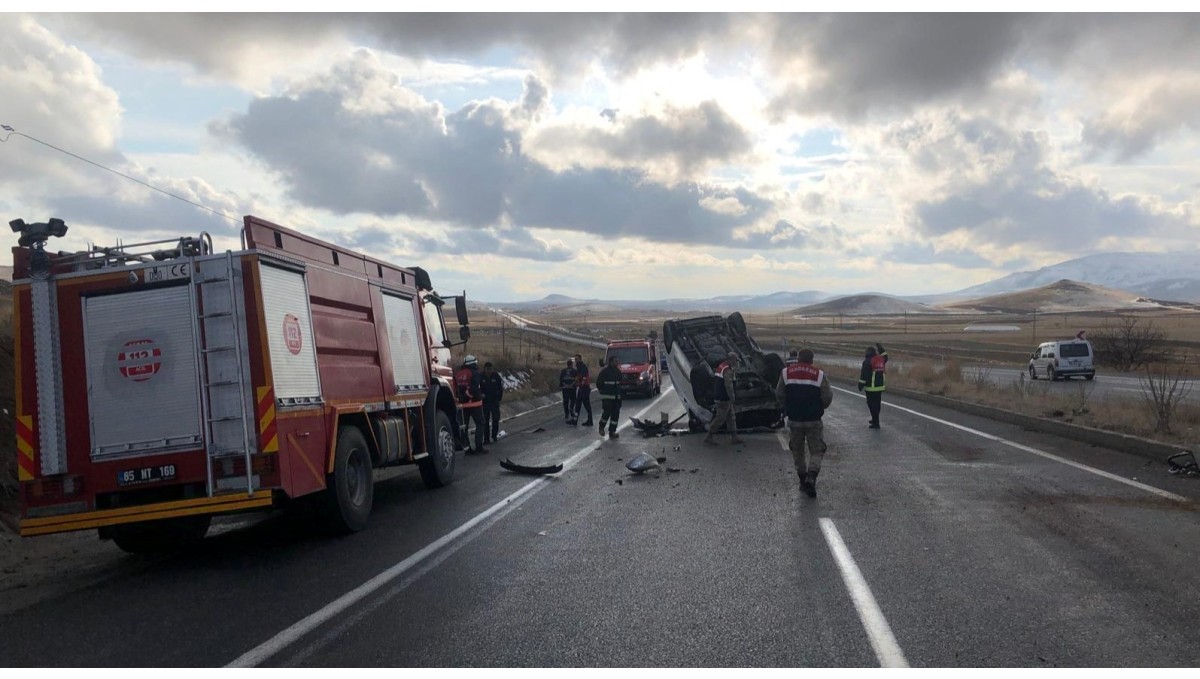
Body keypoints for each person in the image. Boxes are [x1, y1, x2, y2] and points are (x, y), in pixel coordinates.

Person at [776, 348, 833, 497]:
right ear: (812, 360)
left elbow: (779, 394)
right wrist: (819, 407)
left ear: (798, 359)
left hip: (794, 419)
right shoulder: (819, 374)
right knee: (817, 450)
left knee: (797, 450)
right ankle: (811, 477)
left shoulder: (786, 373)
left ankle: (802, 481)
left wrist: (787, 407)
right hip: (813, 420)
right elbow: (827, 396)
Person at [704, 351, 744, 445]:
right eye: (735, 360)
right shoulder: (727, 369)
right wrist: (733, 398)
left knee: (731, 417)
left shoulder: (722, 366)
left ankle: (734, 437)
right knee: (720, 418)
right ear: (731, 359)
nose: (736, 362)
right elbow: (728, 385)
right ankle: (709, 436)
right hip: (723, 398)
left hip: (722, 397)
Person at [454, 354, 486, 453]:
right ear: (474, 363)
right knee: (480, 424)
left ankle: (467, 449)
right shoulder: (475, 373)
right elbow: (475, 387)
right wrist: (469, 396)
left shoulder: (458, 374)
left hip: (462, 406)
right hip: (475, 404)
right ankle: (479, 447)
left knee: (464, 427)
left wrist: (462, 398)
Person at [858, 342, 888, 429]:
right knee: (877, 404)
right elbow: (885, 356)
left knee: (871, 404)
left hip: (871, 388)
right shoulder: (880, 359)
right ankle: (875, 419)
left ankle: (876, 422)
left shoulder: (867, 361)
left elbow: (864, 375)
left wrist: (860, 385)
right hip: (880, 387)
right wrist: (881, 348)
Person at [596, 355, 624, 439]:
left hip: (617, 398)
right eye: (615, 361)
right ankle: (601, 427)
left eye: (617, 361)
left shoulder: (618, 372)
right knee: (606, 413)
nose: (617, 362)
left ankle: (612, 431)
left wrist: (620, 395)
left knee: (615, 415)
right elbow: (599, 383)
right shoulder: (604, 372)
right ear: (611, 362)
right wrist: (603, 392)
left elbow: (620, 384)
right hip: (607, 397)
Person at [480, 361, 504, 444]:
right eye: (487, 369)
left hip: (494, 401)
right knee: (485, 421)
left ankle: (494, 436)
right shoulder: (481, 376)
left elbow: (500, 388)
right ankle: (486, 439)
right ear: (484, 369)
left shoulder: (496, 376)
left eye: (490, 369)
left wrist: (498, 398)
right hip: (485, 402)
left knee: (495, 419)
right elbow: (478, 388)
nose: (489, 371)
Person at [571, 353, 594, 427]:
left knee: (586, 405)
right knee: (578, 405)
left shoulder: (583, 367)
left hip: (584, 389)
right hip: (582, 388)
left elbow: (583, 377)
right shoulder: (579, 367)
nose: (576, 361)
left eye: (577, 359)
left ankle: (590, 420)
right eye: (575, 359)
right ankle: (575, 420)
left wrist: (581, 384)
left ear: (580, 359)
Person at [559, 358, 578, 423]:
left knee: (565, 401)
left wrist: (565, 385)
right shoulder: (575, 371)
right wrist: (571, 385)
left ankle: (566, 414)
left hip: (565, 388)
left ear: (567, 364)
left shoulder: (563, 371)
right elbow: (576, 379)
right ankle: (571, 408)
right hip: (572, 388)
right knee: (573, 400)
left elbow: (561, 380)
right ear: (571, 364)